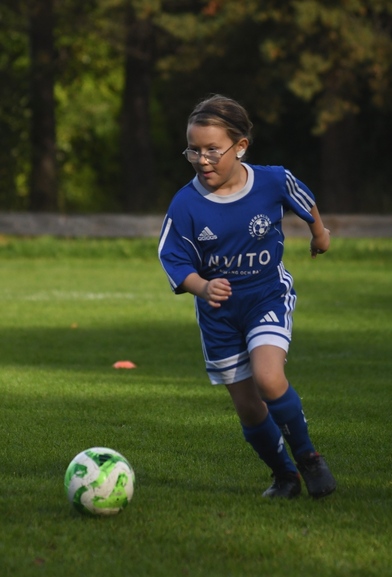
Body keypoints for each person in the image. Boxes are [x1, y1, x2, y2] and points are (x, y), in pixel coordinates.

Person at [158, 94, 336, 499]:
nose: (202, 160)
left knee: (269, 379)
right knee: (249, 407)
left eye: (212, 150)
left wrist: (319, 234)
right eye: (193, 150)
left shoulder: (271, 181)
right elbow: (172, 257)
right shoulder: (185, 203)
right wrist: (203, 286)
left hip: (266, 296)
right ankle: (284, 476)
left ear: (240, 146)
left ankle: (309, 458)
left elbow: (302, 198)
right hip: (219, 315)